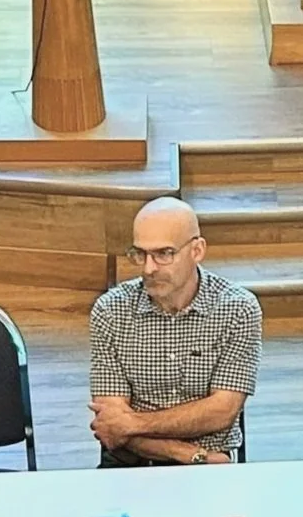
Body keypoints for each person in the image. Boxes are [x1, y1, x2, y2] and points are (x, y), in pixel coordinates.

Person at [88, 197, 261, 467]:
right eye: (140, 254)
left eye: (164, 254)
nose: (149, 268)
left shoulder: (238, 309)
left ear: (197, 250)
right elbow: (110, 425)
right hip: (144, 461)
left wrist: (132, 423)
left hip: (212, 461)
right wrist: (186, 454)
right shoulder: (111, 311)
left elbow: (221, 413)